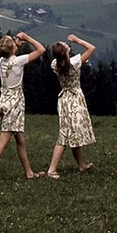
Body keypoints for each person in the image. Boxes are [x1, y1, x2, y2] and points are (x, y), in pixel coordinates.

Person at [0, 31, 46, 183]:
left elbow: (12, 58)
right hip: (14, 105)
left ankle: (29, 173)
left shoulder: (2, 61)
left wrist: (15, 45)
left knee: (20, 139)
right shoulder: (19, 61)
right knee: (3, 142)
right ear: (13, 49)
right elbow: (41, 50)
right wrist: (27, 38)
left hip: (4, 102)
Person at [45, 34, 97, 178]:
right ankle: (52, 169)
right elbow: (91, 48)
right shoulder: (74, 62)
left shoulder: (55, 64)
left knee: (71, 133)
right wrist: (78, 40)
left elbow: (62, 62)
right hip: (75, 99)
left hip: (64, 99)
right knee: (65, 135)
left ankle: (81, 165)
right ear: (66, 51)